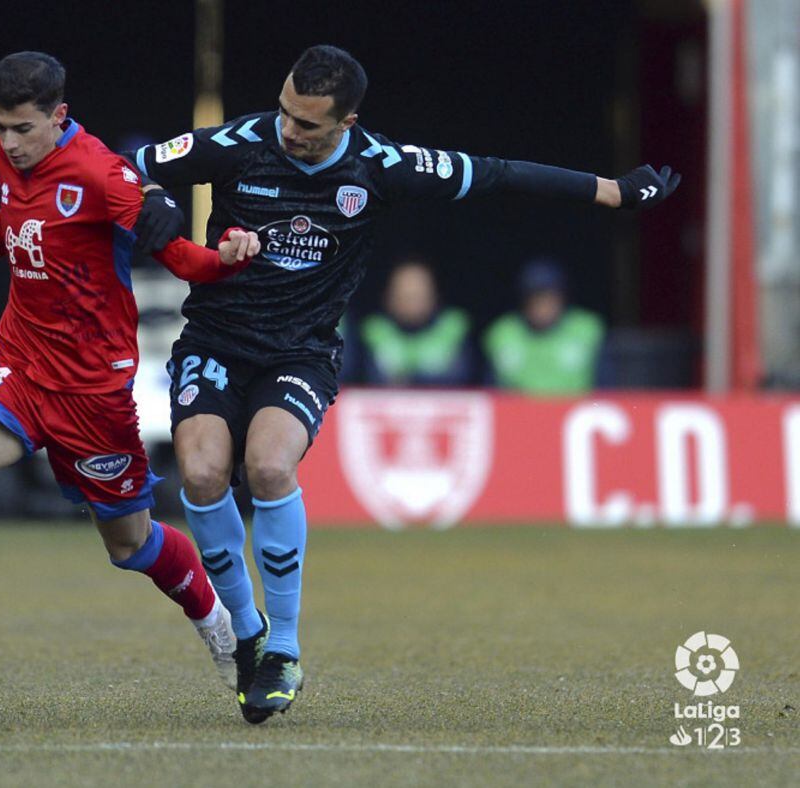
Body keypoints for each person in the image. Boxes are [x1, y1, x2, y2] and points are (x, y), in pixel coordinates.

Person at [126, 44, 680, 724]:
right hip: (214, 339)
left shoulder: (382, 166)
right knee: (204, 475)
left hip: (299, 353)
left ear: (349, 121)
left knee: (268, 466)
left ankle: (285, 649)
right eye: (285, 113)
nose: (290, 131)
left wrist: (613, 191)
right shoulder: (241, 142)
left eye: (308, 125)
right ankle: (247, 633)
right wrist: (150, 198)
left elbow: (498, 174)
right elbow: (127, 165)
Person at [0, 52, 261, 692]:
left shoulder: (105, 176)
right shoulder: (7, 158)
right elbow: (12, 221)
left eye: (23, 129)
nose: (10, 144)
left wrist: (232, 258)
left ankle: (217, 619)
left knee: (130, 546)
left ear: (59, 116)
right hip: (18, 364)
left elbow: (183, 261)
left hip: (92, 392)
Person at [482, 258, 606, 394]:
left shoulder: (586, 328)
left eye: (549, 299)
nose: (543, 307)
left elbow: (606, 385)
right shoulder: (503, 333)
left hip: (575, 412)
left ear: (562, 298)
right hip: (519, 413)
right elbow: (491, 390)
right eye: (536, 299)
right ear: (524, 301)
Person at [359, 260, 473, 386]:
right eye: (405, 295)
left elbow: (461, 377)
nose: (412, 303)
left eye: (418, 295)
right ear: (388, 298)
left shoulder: (453, 326)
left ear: (434, 296)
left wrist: (407, 379)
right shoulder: (374, 329)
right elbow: (368, 376)